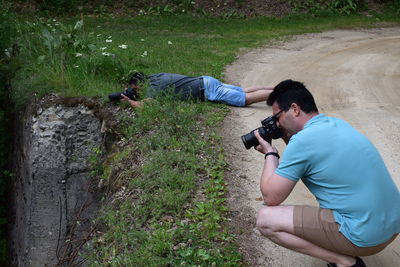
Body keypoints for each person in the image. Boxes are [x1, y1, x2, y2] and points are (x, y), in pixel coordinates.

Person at [253, 79, 400, 267]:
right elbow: (306, 155)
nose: (277, 123)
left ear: (295, 109)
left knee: (266, 219)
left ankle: (343, 261)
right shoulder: (336, 124)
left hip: (365, 237)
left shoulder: (303, 142)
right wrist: (284, 135)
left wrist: (270, 153)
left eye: (277, 117)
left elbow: (270, 196)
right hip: (392, 227)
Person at [118, 72, 273, 108]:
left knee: (245, 99)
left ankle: (284, 94)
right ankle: (282, 88)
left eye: (135, 90)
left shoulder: (153, 87)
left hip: (206, 90)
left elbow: (145, 105)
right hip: (205, 80)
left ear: (138, 86)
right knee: (242, 90)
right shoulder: (154, 77)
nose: (137, 92)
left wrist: (130, 101)